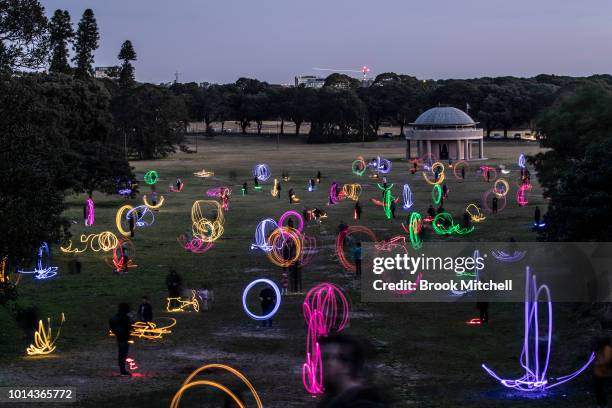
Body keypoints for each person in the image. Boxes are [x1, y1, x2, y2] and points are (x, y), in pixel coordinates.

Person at [318, 334, 388, 408]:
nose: (320, 364)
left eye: (325, 358)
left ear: (347, 363)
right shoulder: (332, 399)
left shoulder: (364, 403)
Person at [109, 303, 133, 377]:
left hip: (121, 337)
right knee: (123, 354)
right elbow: (129, 326)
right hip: (124, 337)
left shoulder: (117, 316)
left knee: (122, 354)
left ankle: (122, 369)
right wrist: (131, 319)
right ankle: (122, 370)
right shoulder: (125, 317)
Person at [593, 335, 612, 408]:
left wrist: (597, 363)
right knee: (598, 389)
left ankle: (604, 405)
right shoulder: (601, 348)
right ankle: (600, 404)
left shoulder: (607, 348)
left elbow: (607, 360)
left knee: (600, 389)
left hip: (603, 373)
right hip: (599, 373)